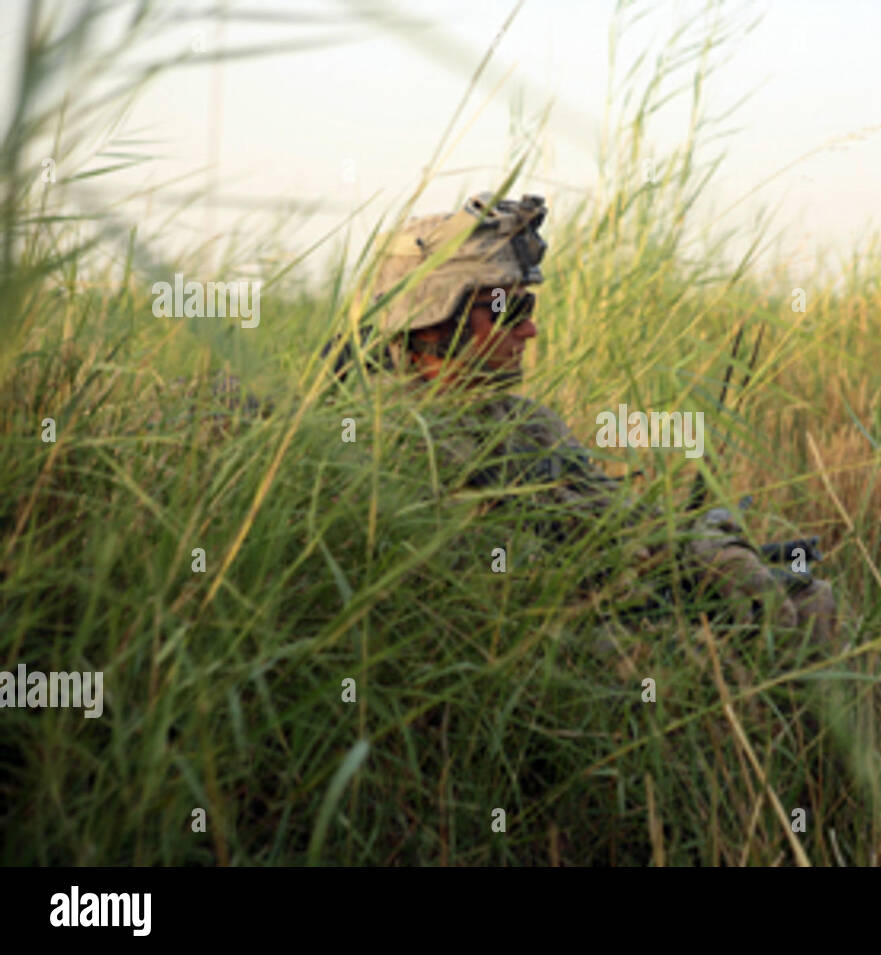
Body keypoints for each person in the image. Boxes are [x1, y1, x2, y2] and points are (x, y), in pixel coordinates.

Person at [335, 191, 836, 645]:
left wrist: (705, 549)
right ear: (431, 318)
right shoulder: (382, 441)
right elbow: (479, 591)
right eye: (506, 311)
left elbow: (618, 513)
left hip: (595, 609)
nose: (529, 329)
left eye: (526, 307)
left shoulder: (523, 423)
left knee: (809, 601)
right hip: (525, 646)